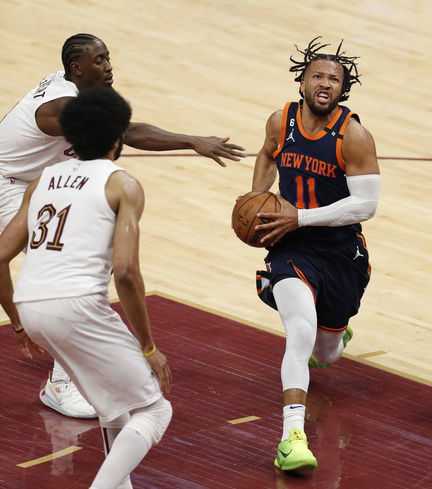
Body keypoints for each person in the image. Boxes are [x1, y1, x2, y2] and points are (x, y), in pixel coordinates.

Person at [0, 33, 245, 419]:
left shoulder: (78, 89)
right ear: (77, 69)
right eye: (99, 60)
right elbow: (125, 132)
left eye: (108, 57)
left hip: (35, 179)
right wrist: (191, 140)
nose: (109, 66)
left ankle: (66, 352)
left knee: (65, 269)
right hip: (8, 184)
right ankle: (60, 385)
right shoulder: (59, 106)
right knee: (61, 271)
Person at [0, 86, 172, 489]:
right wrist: (148, 347)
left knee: (112, 407)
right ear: (118, 137)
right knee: (154, 411)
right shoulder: (122, 184)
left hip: (32, 306)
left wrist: (18, 322)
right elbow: (126, 272)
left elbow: (0, 253)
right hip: (78, 306)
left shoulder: (41, 180)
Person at [251, 37, 380, 470]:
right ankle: (291, 437)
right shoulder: (280, 120)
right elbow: (268, 155)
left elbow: (366, 206)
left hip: (341, 251)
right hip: (292, 249)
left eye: (334, 79)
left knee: (325, 352)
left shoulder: (354, 135)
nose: (325, 83)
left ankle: (334, 333)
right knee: (300, 332)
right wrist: (257, 200)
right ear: (302, 82)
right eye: (318, 76)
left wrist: (298, 217)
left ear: (343, 90)